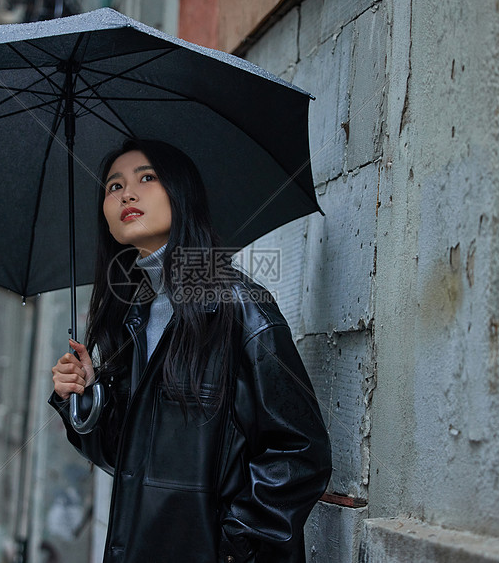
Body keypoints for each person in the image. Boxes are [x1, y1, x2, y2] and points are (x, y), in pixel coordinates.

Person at [50, 139, 331, 563]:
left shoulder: (239, 307)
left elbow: (301, 451)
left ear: (182, 194)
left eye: (147, 178)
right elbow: (124, 460)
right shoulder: (131, 319)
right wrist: (86, 397)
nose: (127, 193)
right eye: (113, 186)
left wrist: (231, 546)